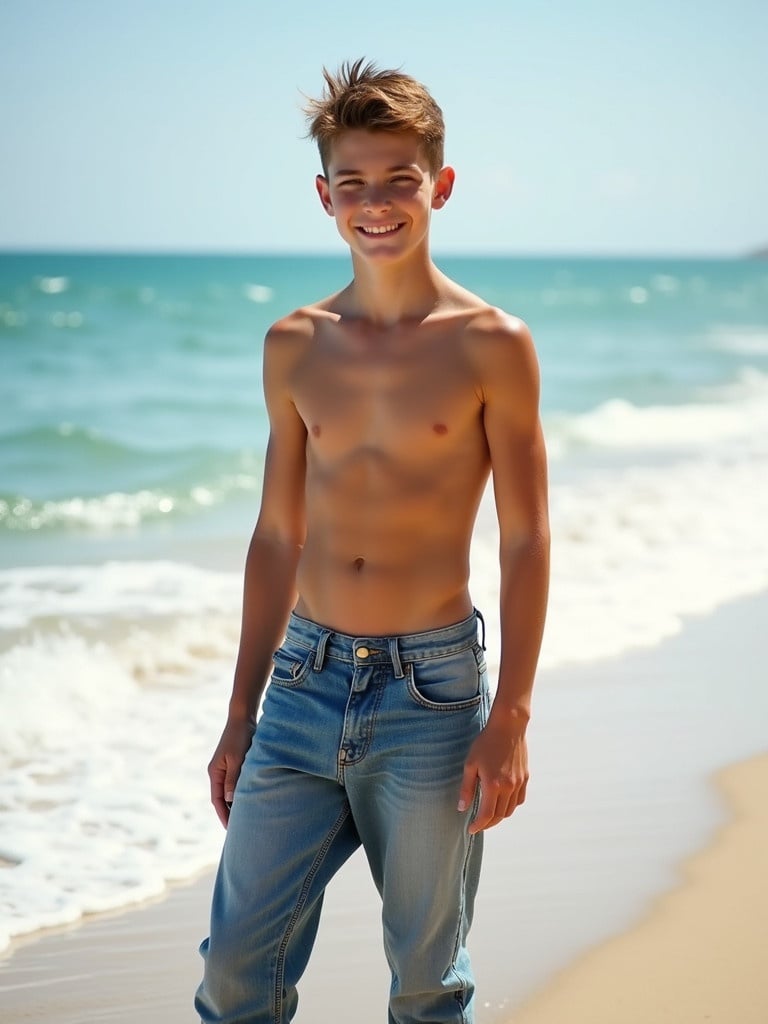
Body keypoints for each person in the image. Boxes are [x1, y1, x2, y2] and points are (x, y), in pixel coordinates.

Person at [195, 59, 550, 1024]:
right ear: (324, 197)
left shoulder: (493, 343)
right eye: (353, 183)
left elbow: (526, 538)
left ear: (440, 185)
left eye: (400, 180)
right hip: (303, 685)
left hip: (431, 697)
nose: (377, 203)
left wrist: (510, 712)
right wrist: (241, 708)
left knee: (430, 984)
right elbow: (277, 534)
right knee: (234, 974)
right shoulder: (295, 344)